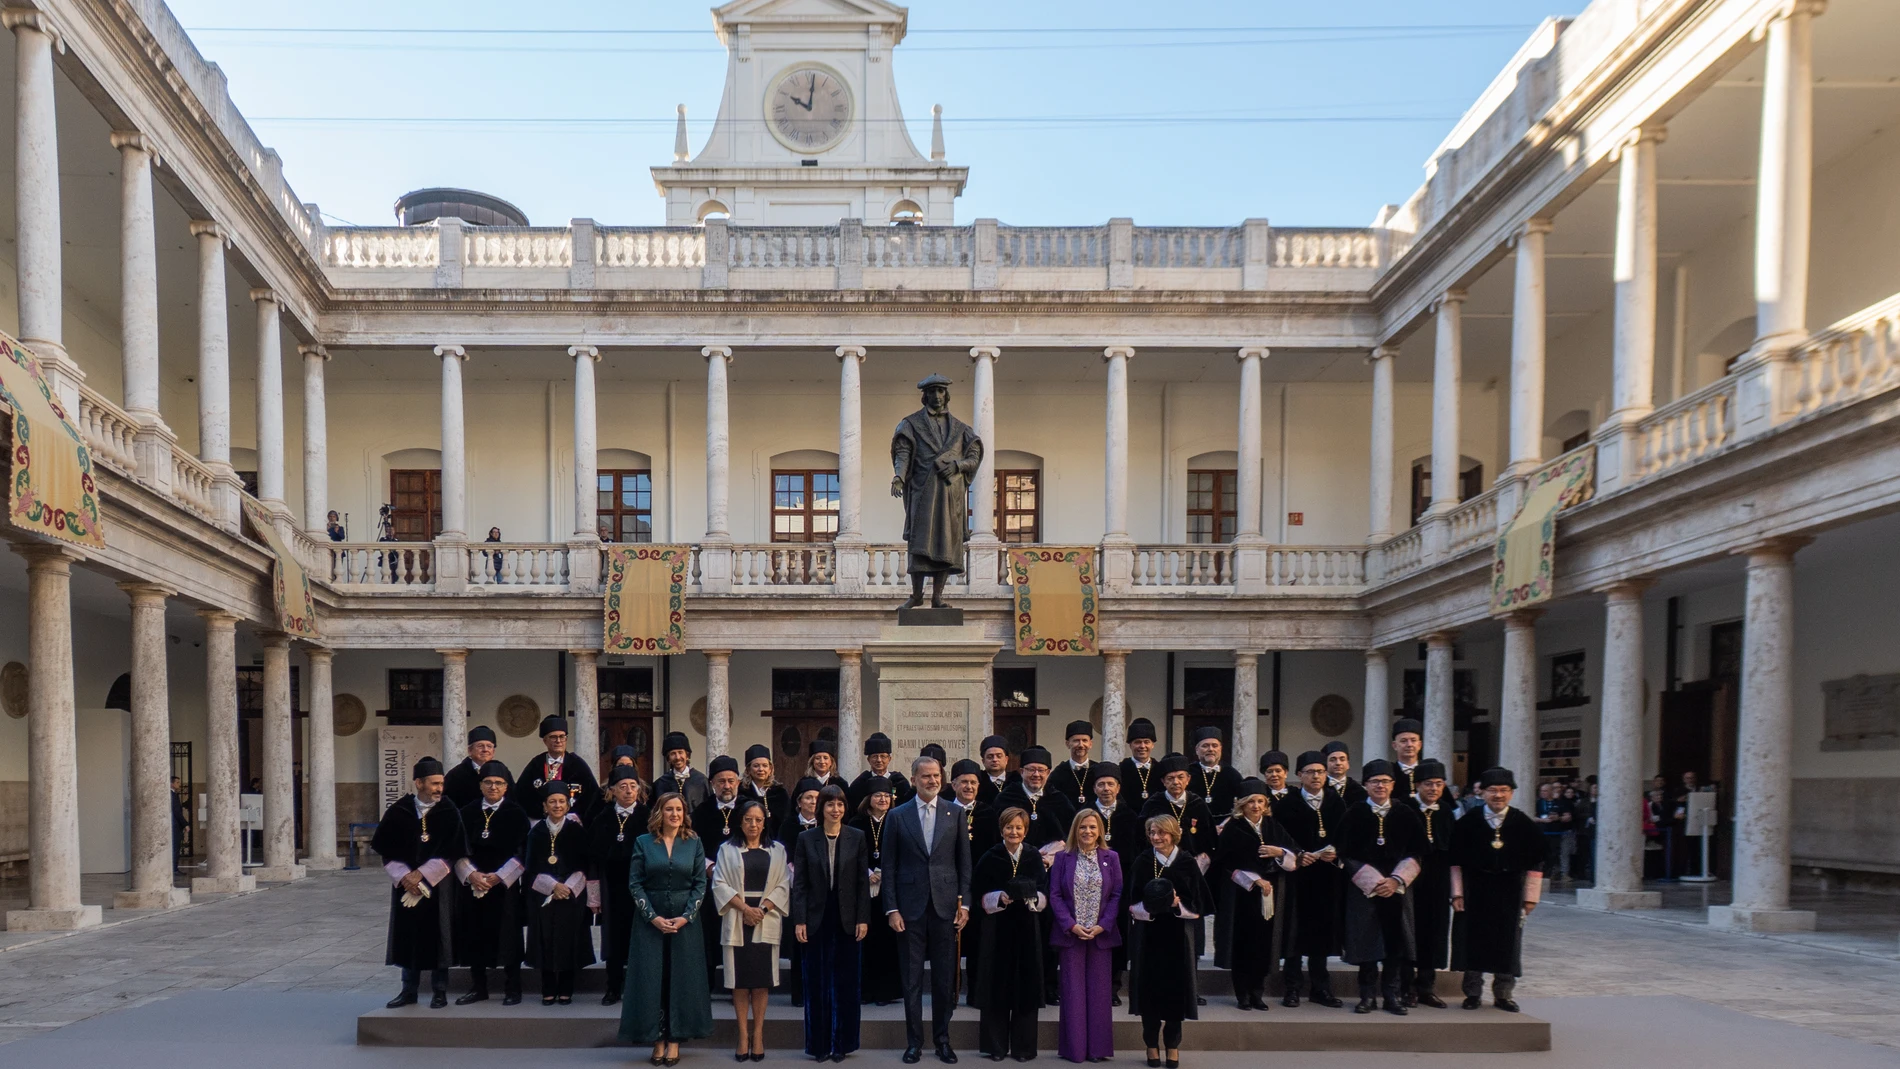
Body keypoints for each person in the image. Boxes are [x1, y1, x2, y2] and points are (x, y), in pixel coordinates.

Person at [883, 755, 972, 1065]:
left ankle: (943, 1041)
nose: (932, 781)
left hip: (946, 907)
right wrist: (891, 909)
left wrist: (967, 904)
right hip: (909, 910)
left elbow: (964, 864)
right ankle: (914, 1043)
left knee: (945, 980)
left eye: (936, 776)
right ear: (913, 780)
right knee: (911, 980)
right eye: (925, 776)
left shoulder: (955, 813)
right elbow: (889, 867)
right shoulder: (897, 816)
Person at [623, 793, 712, 1066]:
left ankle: (674, 1040)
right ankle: (657, 1039)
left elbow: (700, 883)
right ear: (659, 812)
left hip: (686, 924)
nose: (674, 814)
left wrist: (687, 917)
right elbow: (635, 883)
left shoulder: (694, 842)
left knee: (681, 979)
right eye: (669, 809)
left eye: (679, 809)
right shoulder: (643, 842)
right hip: (650, 922)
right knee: (653, 979)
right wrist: (652, 917)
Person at [372, 757, 468, 1009]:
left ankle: (439, 991)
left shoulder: (449, 811)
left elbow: (454, 850)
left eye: (441, 783)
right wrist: (405, 876)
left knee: (440, 934)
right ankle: (409, 990)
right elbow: (385, 849)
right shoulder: (399, 811)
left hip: (439, 886)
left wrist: (423, 874)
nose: (439, 788)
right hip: (406, 885)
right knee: (408, 934)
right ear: (419, 783)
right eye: (434, 783)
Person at [1451, 767, 1544, 1012]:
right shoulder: (1468, 822)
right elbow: (1455, 861)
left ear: (1512, 793)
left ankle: (1503, 994)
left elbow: (1537, 863)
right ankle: (1472, 993)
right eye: (1493, 790)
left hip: (1510, 890)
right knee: (1472, 940)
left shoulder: (1522, 823)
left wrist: (1531, 897)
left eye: (1504, 790)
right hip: (1475, 889)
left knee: (1508, 942)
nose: (1498, 795)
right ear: (1481, 793)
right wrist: (1457, 893)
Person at [1338, 760, 1427, 1016]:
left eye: (1385, 781)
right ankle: (1367, 996)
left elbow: (1417, 852)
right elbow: (1345, 854)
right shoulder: (1354, 813)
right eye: (1374, 781)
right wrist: (1374, 882)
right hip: (1365, 889)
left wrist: (1396, 880)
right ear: (1365, 785)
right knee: (1366, 941)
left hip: (1397, 888)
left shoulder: (1406, 813)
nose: (1380, 785)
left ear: (1393, 785)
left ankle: (1392, 995)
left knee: (1395, 942)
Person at [890, 372, 984, 609]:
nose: (937, 396)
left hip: (950, 495)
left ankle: (938, 598)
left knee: (946, 544)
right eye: (932, 392)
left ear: (947, 394)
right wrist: (899, 476)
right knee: (919, 544)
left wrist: (958, 465)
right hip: (922, 492)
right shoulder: (911, 424)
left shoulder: (962, 429)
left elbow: (974, 456)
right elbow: (903, 452)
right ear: (925, 396)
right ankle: (916, 595)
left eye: (940, 391)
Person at [793, 784, 871, 1062]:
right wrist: (799, 919)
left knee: (847, 984)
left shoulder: (857, 837)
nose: (835, 810)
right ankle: (819, 1045)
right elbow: (799, 884)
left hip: (848, 918)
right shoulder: (806, 839)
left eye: (840, 805)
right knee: (816, 983)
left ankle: (842, 1043)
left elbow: (863, 882)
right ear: (821, 807)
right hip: (816, 917)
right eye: (830, 804)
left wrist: (863, 917)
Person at [714, 798, 790, 1061]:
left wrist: (762, 910)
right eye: (748, 819)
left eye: (758, 820)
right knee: (739, 982)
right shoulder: (727, 849)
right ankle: (742, 1035)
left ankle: (758, 1035)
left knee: (760, 982)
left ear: (765, 821)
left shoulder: (777, 850)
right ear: (740, 821)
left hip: (765, 918)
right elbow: (719, 884)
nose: (753, 824)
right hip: (737, 918)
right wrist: (745, 909)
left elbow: (783, 885)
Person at [1212, 778, 1296, 1010]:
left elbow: (1293, 852)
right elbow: (1224, 863)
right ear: (1242, 805)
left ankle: (1258, 993)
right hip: (1242, 897)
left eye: (1260, 801)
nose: (1256, 806)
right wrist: (1254, 879)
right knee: (1243, 945)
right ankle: (1243, 995)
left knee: (1264, 944)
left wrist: (1279, 852)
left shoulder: (1272, 826)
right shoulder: (1233, 827)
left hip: (1269, 895)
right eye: (1251, 802)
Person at [972, 807, 1047, 1062]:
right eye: (1009, 827)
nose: (1013, 832)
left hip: (1027, 927)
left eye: (1019, 828)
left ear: (1025, 830)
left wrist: (1033, 898)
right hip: (997, 930)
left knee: (1025, 985)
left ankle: (1024, 1048)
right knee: (997, 985)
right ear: (1001, 829)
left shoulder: (1034, 856)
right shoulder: (990, 857)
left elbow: (1043, 889)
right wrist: (998, 897)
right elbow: (978, 891)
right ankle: (996, 1046)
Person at [997, 745, 1071, 1004]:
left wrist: (1053, 854)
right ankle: (1015, 984)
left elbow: (1068, 838)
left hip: (1050, 878)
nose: (1036, 775)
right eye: (1031, 770)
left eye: (1041, 770)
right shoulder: (1007, 798)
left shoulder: (1059, 800)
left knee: (1048, 933)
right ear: (1021, 771)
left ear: (1049, 772)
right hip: (1015, 874)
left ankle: (1048, 986)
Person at [455, 759, 529, 1006]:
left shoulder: (516, 814)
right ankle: (478, 987)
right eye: (488, 782)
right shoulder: (466, 813)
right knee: (474, 933)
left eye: (499, 783)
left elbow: (523, 852)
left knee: (509, 935)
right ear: (480, 785)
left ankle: (513, 987)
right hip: (474, 884)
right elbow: (456, 850)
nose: (493, 787)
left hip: (504, 886)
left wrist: (499, 876)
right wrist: (472, 875)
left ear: (507, 787)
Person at [1051, 808, 1121, 1063]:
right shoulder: (1063, 858)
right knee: (1073, 992)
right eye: (1083, 827)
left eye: (1092, 827)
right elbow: (1055, 895)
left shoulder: (1111, 857)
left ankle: (1098, 1049)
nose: (1088, 832)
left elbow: (1116, 895)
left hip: (1100, 935)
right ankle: (1076, 1049)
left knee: (1100, 993)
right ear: (1075, 830)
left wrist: (1104, 924)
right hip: (1072, 935)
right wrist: (1070, 925)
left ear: (1100, 830)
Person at [1276, 750, 1345, 1008]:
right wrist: (1298, 855)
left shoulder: (1337, 803)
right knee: (1294, 932)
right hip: (1297, 879)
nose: (1316, 776)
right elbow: (1278, 840)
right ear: (1298, 776)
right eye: (1310, 772)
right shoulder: (1286, 805)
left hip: (1327, 879)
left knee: (1322, 934)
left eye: (1320, 771)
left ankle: (1320, 988)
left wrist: (1336, 852)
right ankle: (1292, 987)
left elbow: (1346, 836)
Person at [523, 781, 595, 1005]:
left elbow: (586, 864)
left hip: (572, 895)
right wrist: (553, 886)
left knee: (568, 940)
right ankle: (547, 987)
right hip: (544, 895)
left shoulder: (576, 830)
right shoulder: (536, 833)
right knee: (545, 940)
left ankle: (566, 988)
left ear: (568, 804)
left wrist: (568, 887)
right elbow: (530, 866)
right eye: (552, 802)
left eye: (561, 801)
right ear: (544, 806)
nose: (557, 805)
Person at [588, 765, 650, 1005]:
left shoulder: (648, 817)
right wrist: (594, 897)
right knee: (613, 939)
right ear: (612, 790)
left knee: (641, 939)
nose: (628, 791)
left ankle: (640, 989)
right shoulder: (602, 818)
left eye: (633, 786)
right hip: (611, 889)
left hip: (642, 887)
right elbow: (593, 859)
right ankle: (613, 987)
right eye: (622, 787)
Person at [1401, 759, 1453, 1009]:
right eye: (1429, 784)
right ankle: (1406, 987)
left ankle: (1426, 986)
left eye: (1439, 784)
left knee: (1434, 933)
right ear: (1418, 785)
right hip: (1410, 883)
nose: (1433, 788)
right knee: (1409, 932)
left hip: (1438, 883)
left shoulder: (1447, 812)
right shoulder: (1404, 809)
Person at [1129, 877, 1196, 1069]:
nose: (1159, 843)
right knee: (1149, 993)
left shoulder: (1186, 864)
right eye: (1155, 842)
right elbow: (1131, 902)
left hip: (1177, 938)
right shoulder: (1143, 862)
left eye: (1165, 841)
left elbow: (1198, 901)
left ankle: (1172, 1044)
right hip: (1148, 938)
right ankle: (1151, 1044)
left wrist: (1176, 904)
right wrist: (1157, 903)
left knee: (1175, 993)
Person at [1086, 766, 1140, 1007]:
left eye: (1110, 784)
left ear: (1118, 787)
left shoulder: (1132, 817)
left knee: (1116, 935)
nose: (1106, 789)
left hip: (1120, 887)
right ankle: (1090, 982)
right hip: (1088, 885)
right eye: (1101, 784)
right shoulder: (1085, 816)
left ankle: (1113, 986)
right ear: (1094, 788)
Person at [695, 755, 745, 993]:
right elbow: (695, 845)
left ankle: (736, 985)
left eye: (731, 780)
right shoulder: (701, 812)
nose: (726, 786)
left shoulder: (749, 808)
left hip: (742, 883)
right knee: (710, 933)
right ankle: (707, 985)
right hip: (710, 882)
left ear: (738, 781)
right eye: (721, 781)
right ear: (712, 783)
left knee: (738, 934)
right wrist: (711, 868)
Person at [949, 759, 997, 1007]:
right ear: (953, 783)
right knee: (949, 942)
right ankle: (950, 992)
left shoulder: (988, 813)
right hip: (948, 887)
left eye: (973, 782)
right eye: (964, 782)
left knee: (979, 942)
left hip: (979, 886)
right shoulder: (945, 810)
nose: (968, 786)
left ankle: (977, 992)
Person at [854, 775, 905, 1006]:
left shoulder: (898, 820)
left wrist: (885, 872)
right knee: (865, 939)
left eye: (886, 795)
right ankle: (865, 990)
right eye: (878, 795)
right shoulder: (856, 823)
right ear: (869, 799)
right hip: (863, 890)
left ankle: (886, 991)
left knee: (887, 941)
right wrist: (866, 872)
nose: (883, 799)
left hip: (889, 888)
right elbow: (851, 854)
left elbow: (904, 851)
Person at [781, 776, 825, 1007]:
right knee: (800, 939)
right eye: (808, 798)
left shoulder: (826, 823)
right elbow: (784, 854)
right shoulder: (789, 825)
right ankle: (799, 993)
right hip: (797, 887)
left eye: (817, 799)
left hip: (823, 890)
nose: (813, 802)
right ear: (799, 802)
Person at [512, 715, 600, 817]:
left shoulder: (578, 765)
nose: (558, 741)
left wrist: (579, 816)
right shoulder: (536, 764)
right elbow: (521, 794)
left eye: (562, 736)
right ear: (545, 741)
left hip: (572, 823)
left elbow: (593, 796)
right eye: (553, 737)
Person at [1139, 754, 1216, 863]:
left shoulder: (1198, 804)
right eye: (1170, 778)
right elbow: (1141, 838)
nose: (1176, 782)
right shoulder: (1153, 804)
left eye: (1180, 777)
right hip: (1158, 862)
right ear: (1163, 781)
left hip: (1193, 864)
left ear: (1188, 779)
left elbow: (1210, 838)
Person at [850, 732, 913, 810]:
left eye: (883, 756)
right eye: (875, 756)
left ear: (889, 759)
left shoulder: (900, 783)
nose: (879, 760)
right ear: (868, 759)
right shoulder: (859, 784)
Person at [1048, 720, 1100, 808]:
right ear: (1068, 744)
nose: (1081, 745)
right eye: (1076, 741)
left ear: (1090, 744)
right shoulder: (1058, 774)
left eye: (1084, 740)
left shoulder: (1099, 770)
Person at [1189, 728, 1242, 816]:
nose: (1211, 749)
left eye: (1215, 745)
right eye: (1205, 746)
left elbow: (1242, 803)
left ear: (1220, 749)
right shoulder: (1187, 773)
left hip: (1224, 826)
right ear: (1197, 750)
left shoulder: (1232, 774)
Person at [444, 725, 498, 810]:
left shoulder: (502, 773)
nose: (485, 750)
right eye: (480, 746)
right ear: (470, 750)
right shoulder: (456, 775)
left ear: (493, 752)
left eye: (489, 746)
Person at [654, 732, 711, 811]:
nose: (677, 757)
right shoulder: (660, 783)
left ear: (687, 756)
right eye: (673, 754)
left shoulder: (701, 781)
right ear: (668, 759)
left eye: (680, 752)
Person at [741, 744, 789, 831]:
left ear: (770, 769)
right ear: (748, 769)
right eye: (756, 766)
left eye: (765, 765)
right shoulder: (741, 792)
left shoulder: (780, 793)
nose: (761, 769)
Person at [1534, 782, 1572, 881]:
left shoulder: (1560, 803)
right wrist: (1542, 820)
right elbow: (1531, 816)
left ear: (1551, 791)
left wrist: (1558, 818)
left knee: (1553, 855)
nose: (1543, 793)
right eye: (1541, 791)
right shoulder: (1537, 803)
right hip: (1541, 833)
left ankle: (1548, 875)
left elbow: (1568, 817)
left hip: (1555, 833)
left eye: (1545, 791)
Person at [1120, 719, 1161, 808]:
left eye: (1146, 742)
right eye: (1137, 742)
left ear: (1152, 745)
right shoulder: (1121, 770)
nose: (1142, 746)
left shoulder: (1161, 770)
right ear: (1130, 745)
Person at [976, 735, 1018, 805]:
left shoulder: (1016, 780)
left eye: (999, 756)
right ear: (983, 761)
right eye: (990, 757)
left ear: (1006, 759)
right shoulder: (978, 782)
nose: (995, 760)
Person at [1322, 741, 1366, 805]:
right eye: (1332, 760)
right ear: (1325, 764)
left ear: (1348, 764)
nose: (1338, 763)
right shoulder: (1319, 787)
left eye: (1342, 759)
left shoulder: (1358, 790)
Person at [1389, 719, 1424, 799]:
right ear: (1394, 745)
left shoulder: (1430, 771)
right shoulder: (1388, 772)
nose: (1409, 745)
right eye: (1403, 741)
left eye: (1413, 740)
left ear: (1419, 745)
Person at [1259, 751, 1294, 815]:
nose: (1274, 775)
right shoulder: (1261, 794)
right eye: (1269, 772)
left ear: (1285, 773)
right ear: (1264, 774)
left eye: (1278, 771)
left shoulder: (1295, 793)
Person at [170, 775, 188, 874]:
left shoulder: (174, 795)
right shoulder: (172, 795)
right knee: (175, 848)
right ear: (171, 784)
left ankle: (174, 868)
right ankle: (174, 869)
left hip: (175, 825)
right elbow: (177, 812)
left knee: (176, 848)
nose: (179, 784)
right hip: (175, 825)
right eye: (177, 782)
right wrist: (185, 824)